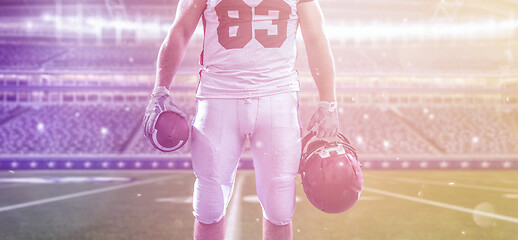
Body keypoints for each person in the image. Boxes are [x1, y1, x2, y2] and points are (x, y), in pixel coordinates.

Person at [146, 0, 339, 239]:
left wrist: (328, 101)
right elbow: (181, 30)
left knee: (279, 205)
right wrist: (160, 90)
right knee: (209, 203)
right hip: (219, 95)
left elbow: (316, 38)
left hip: (276, 96)